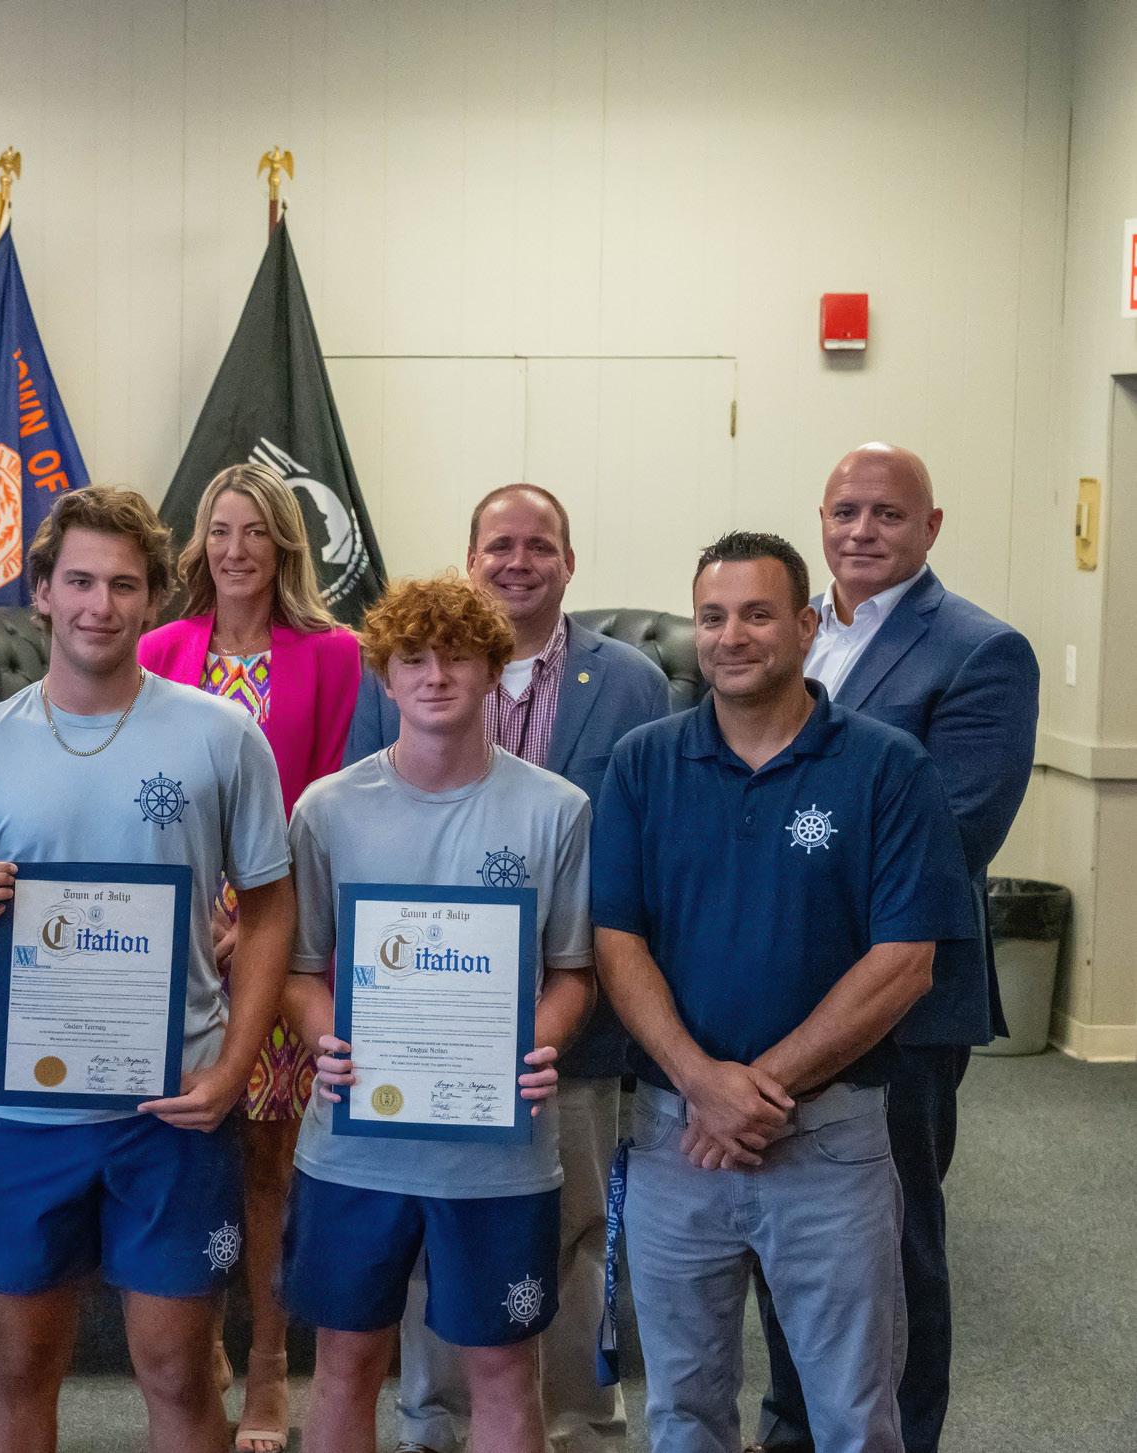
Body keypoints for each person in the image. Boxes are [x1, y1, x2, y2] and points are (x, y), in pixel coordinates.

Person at [0, 485, 296, 1453]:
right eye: (77, 581)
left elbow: (272, 907)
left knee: (177, 1368)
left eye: (121, 585)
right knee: (21, 1365)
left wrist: (235, 1065)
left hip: (171, 1108)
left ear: (154, 597)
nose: (98, 605)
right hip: (17, 1113)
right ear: (40, 591)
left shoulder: (220, 736)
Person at [591, 532, 978, 1453]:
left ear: (805, 626)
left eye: (757, 614)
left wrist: (752, 1089)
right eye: (712, 616)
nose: (730, 636)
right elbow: (615, 940)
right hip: (675, 1137)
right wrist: (701, 1083)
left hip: (829, 1142)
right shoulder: (643, 762)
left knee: (853, 1414)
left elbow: (904, 961)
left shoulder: (886, 767)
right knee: (682, 1410)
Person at [345, 484, 669, 1453]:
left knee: (572, 1232)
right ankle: (436, 1419)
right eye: (499, 544)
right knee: (431, 1237)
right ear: (470, 558)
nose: (517, 560)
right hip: (423, 1029)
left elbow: (643, 848)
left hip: (571, 1020)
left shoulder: (631, 680)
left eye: (539, 544)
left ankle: (577, 1416)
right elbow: (367, 827)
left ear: (569, 560)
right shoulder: (401, 671)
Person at [749, 443, 1039, 1453]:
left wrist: (770, 874)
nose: (861, 531)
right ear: (820, 519)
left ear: (930, 526)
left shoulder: (978, 651)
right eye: (844, 512)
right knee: (781, 1234)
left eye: (886, 513)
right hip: (763, 994)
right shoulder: (781, 630)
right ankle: (791, 1429)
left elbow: (950, 837)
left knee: (891, 1245)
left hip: (899, 1005)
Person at [278, 571, 595, 1453]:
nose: (435, 675)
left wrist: (538, 1041)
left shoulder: (556, 809)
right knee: (345, 1360)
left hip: (497, 1151)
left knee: (501, 1366)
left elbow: (572, 972)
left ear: (493, 670)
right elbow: (297, 970)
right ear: (384, 676)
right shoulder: (326, 810)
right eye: (412, 658)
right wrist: (323, 1038)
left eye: (456, 656)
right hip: (354, 1143)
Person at [137, 461, 362, 1453]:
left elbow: (337, 805)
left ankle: (268, 1363)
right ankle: (200, 1353)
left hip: (283, 924)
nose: (235, 550)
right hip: (173, 937)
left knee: (268, 1160)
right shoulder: (159, 648)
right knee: (187, 1148)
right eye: (220, 531)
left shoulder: (334, 656)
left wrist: (258, 920)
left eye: (255, 532)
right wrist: (198, 923)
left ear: (283, 546)